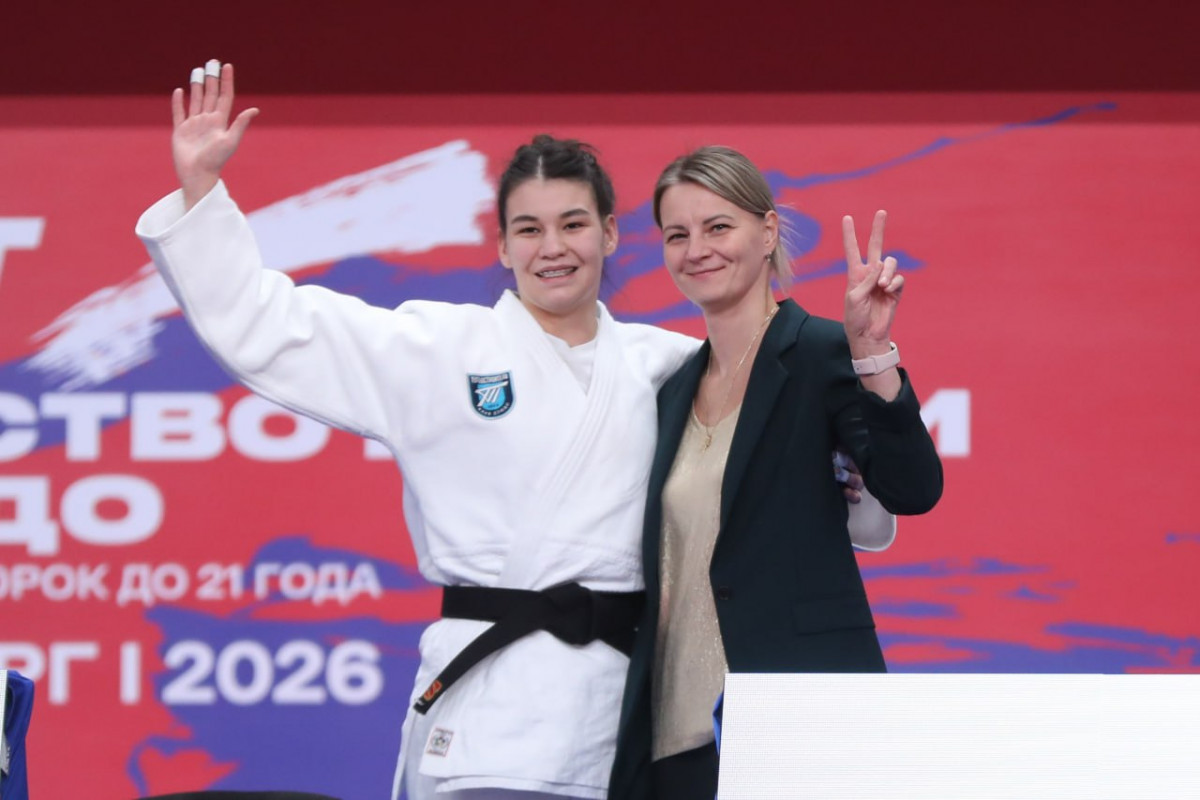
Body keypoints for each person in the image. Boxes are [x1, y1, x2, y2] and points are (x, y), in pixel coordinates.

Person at [135, 63, 890, 800]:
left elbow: (788, 489)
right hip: (485, 716)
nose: (551, 247)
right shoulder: (436, 350)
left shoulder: (670, 367)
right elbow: (272, 328)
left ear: (609, 235)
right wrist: (202, 192)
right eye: (528, 229)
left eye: (573, 224)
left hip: (615, 720)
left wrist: (853, 481)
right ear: (502, 246)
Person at [608, 146, 944, 800]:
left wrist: (873, 352)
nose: (697, 249)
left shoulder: (821, 351)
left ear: (766, 233)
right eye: (677, 235)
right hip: (677, 730)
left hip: (800, 719)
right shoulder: (672, 391)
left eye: (718, 227)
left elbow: (913, 488)